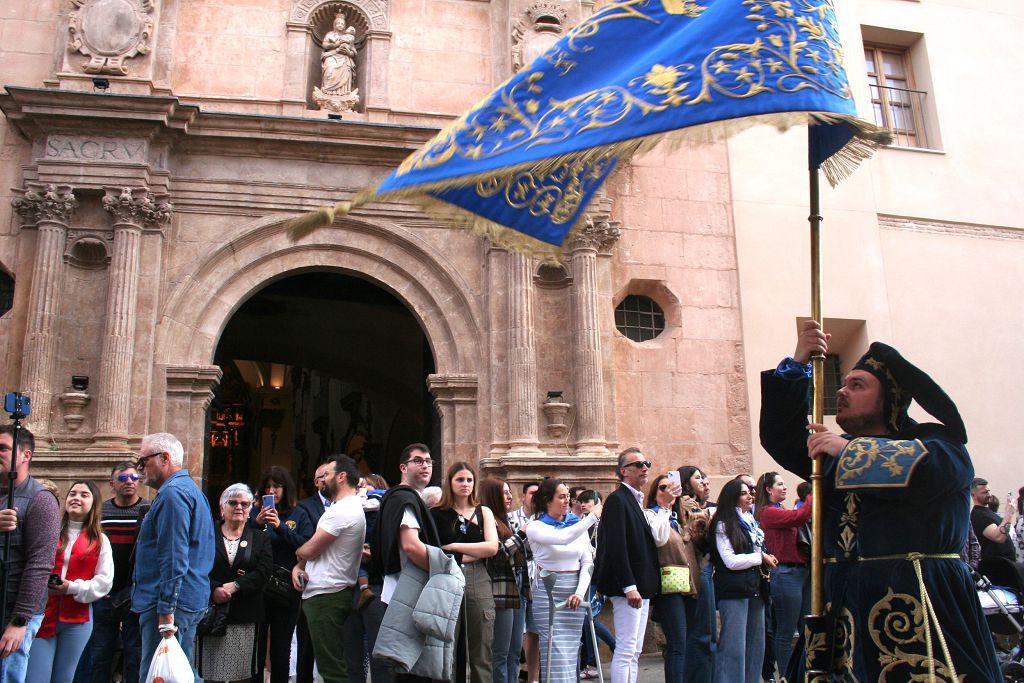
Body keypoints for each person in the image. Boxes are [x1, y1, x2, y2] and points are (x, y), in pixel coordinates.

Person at [760, 320, 1002, 681]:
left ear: (889, 398)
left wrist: (850, 450)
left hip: (919, 603)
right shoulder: (830, 454)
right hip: (842, 610)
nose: (841, 392)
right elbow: (779, 436)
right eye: (842, 385)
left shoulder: (940, 446)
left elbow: (927, 471)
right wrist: (797, 364)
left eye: (857, 386)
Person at [132, 432, 215, 680]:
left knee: (160, 674)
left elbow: (173, 555)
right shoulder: (189, 491)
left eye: (143, 461)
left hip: (170, 604)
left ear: (164, 458)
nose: (139, 468)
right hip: (184, 599)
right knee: (179, 672)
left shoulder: (173, 494)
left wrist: (167, 608)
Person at [25, 481, 112, 683]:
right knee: (36, 677)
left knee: (64, 678)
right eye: (73, 493)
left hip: (78, 619)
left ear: (94, 503)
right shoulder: (49, 530)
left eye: (84, 495)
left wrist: (71, 587)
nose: (77, 498)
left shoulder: (100, 540)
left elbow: (104, 582)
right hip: (42, 614)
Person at [369, 443, 441, 683]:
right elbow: (411, 545)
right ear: (403, 467)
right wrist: (443, 570)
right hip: (409, 594)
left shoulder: (400, 498)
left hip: (402, 593)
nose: (425, 466)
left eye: (429, 461)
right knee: (413, 671)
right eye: (418, 461)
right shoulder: (404, 498)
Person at [292, 455, 366, 683]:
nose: (322, 481)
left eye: (327, 475)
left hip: (327, 595)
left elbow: (309, 550)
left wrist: (299, 557)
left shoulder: (342, 510)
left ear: (341, 477)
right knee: (332, 664)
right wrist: (299, 566)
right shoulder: (346, 507)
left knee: (331, 669)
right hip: (330, 592)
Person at [593, 447, 660, 683]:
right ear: (623, 471)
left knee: (634, 650)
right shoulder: (617, 500)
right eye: (638, 465)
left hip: (641, 584)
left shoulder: (634, 500)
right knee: (626, 648)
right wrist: (629, 585)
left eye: (646, 463)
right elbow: (616, 546)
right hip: (628, 587)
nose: (644, 468)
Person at [0, 424, 60, 683]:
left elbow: (40, 564)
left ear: (26, 455)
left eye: (2, 448)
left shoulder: (40, 500)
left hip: (12, 610)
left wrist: (19, 621)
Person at [197, 483, 272, 683]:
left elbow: (264, 571)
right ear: (222, 508)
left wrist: (236, 585)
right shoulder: (206, 534)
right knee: (212, 676)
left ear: (250, 510)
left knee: (242, 676)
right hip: (212, 615)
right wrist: (214, 589)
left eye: (244, 504)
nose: (239, 507)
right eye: (233, 502)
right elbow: (195, 567)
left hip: (244, 616)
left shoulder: (259, 538)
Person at [525, 478, 599, 683]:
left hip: (574, 591)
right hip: (548, 591)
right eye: (562, 497)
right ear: (548, 500)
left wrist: (579, 592)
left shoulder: (576, 524)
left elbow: (587, 562)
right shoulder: (535, 527)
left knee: (571, 648)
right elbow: (563, 538)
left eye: (568, 496)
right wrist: (591, 518)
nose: (567, 501)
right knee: (554, 650)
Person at [431, 462, 498, 683]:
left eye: (469, 480)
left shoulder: (483, 511)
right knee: (446, 646)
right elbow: (435, 549)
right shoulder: (436, 514)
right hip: (446, 576)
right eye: (460, 479)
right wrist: (472, 551)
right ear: (449, 482)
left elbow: (491, 547)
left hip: (477, 577)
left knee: (481, 646)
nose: (465, 484)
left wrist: (454, 548)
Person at [250, 466, 314, 683]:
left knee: (281, 646)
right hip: (258, 587)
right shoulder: (254, 513)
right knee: (256, 647)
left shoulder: (298, 514)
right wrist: (256, 524)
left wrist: (279, 526)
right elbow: (243, 542)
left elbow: (306, 545)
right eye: (267, 486)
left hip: (285, 588)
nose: (272, 490)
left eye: (276, 486)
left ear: (286, 489)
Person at [644, 474, 709, 683]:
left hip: (689, 585)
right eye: (662, 488)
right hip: (668, 587)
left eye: (672, 488)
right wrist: (663, 507)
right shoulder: (651, 515)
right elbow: (659, 538)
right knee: (677, 644)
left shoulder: (681, 519)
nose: (668, 492)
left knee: (688, 641)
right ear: (654, 493)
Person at [710, 478, 776, 683]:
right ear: (732, 498)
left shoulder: (750, 521)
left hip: (755, 587)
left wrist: (763, 556)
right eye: (744, 493)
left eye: (751, 492)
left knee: (756, 645)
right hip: (734, 590)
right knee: (734, 646)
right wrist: (760, 558)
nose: (750, 496)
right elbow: (730, 561)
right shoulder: (723, 523)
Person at [89, 463, 147, 683]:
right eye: (123, 477)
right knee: (100, 651)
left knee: (135, 654)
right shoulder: (101, 511)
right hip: (105, 592)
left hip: (135, 592)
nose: (129, 481)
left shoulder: (148, 510)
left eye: (134, 477)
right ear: (112, 484)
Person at [754, 471, 812, 678]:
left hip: (801, 573)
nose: (785, 487)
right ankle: (788, 676)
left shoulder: (780, 509)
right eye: (780, 484)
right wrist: (812, 494)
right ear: (768, 489)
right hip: (786, 574)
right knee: (786, 632)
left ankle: (803, 673)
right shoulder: (768, 512)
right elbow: (800, 516)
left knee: (807, 630)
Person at [478, 478, 526, 683]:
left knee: (515, 651)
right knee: (500, 652)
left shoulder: (506, 521)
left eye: (509, 492)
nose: (509, 497)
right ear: (493, 496)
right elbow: (497, 554)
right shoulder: (486, 521)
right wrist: (521, 536)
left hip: (517, 590)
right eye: (504, 493)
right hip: (500, 592)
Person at [676, 465, 716, 683]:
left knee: (708, 633)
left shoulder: (703, 506)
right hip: (695, 569)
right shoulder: (684, 505)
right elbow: (691, 535)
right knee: (701, 633)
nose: (703, 482)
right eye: (697, 478)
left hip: (706, 567)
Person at [295, 461, 334, 683]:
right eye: (323, 475)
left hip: (339, 582)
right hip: (310, 581)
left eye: (331, 474)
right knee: (306, 645)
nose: (328, 479)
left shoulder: (346, 505)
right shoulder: (304, 507)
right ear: (316, 481)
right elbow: (303, 540)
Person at [576, 490, 613, 681]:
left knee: (588, 619)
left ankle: (598, 658)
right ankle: (593, 660)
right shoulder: (582, 524)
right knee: (588, 619)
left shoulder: (600, 526)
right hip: (585, 578)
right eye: (581, 501)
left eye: (587, 501)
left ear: (597, 503)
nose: (583, 504)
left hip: (596, 579)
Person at [508, 481, 540, 683]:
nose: (535, 498)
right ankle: (519, 671)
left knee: (534, 630)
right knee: (516, 629)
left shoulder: (544, 520)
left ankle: (532, 677)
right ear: (523, 496)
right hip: (518, 575)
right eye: (532, 494)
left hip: (538, 578)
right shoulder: (511, 518)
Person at [971, 477, 1017, 561]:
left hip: (1006, 563)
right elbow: (998, 537)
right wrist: (1008, 514)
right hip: (997, 566)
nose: (989, 495)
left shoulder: (987, 512)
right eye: (984, 492)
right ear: (973, 495)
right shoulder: (978, 515)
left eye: (989, 491)